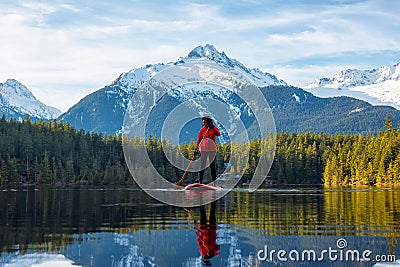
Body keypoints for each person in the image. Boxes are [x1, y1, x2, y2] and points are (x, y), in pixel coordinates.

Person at [196, 116, 220, 184]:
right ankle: (200, 181)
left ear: (209, 122)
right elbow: (199, 140)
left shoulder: (213, 128)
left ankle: (214, 183)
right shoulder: (202, 130)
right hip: (203, 150)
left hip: (212, 150)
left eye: (205, 122)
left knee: (212, 166)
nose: (204, 124)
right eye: (203, 122)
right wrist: (197, 148)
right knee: (202, 166)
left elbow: (218, 134)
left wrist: (213, 127)